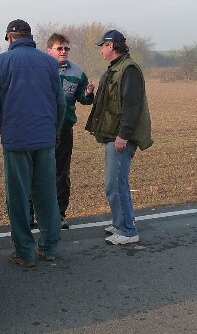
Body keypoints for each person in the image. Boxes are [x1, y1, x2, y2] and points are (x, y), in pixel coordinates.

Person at [0, 19, 66, 267]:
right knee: (46, 194)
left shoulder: (2, 63)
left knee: (18, 197)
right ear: (30, 37)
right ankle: (48, 247)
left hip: (17, 141)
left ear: (9, 38)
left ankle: (25, 252)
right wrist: (55, 131)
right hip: (45, 139)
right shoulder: (50, 63)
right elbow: (60, 103)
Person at [85, 29, 153, 245]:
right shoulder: (116, 68)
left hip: (120, 137)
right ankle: (120, 222)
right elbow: (110, 102)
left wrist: (123, 135)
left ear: (111, 46)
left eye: (102, 47)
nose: (101, 51)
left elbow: (131, 105)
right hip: (112, 135)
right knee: (114, 183)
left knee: (115, 184)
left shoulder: (128, 70)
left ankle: (127, 231)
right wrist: (90, 95)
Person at [45, 33, 95, 229]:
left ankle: (59, 214)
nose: (64, 52)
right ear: (49, 50)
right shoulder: (40, 68)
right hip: (42, 130)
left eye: (66, 48)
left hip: (64, 130)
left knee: (61, 174)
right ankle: (31, 213)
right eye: (59, 48)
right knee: (36, 173)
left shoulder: (77, 72)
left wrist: (88, 94)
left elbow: (83, 99)